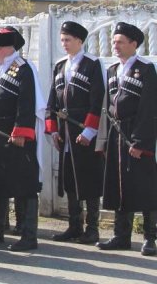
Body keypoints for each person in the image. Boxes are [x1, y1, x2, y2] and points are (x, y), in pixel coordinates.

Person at [0, 28, 41, 252]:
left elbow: (28, 102)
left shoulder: (23, 69)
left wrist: (21, 131)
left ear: (3, 48)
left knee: (24, 183)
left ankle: (28, 234)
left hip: (16, 134)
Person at [97, 22, 157, 256]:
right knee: (118, 185)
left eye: (120, 42)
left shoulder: (146, 69)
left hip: (136, 134)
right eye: (114, 41)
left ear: (134, 44)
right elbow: (108, 105)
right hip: (116, 134)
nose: (116, 46)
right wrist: (103, 139)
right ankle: (121, 235)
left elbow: (149, 108)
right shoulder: (112, 70)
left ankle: (150, 237)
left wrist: (140, 141)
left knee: (144, 187)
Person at [45, 21, 105, 244]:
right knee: (69, 180)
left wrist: (90, 130)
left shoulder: (92, 64)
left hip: (83, 130)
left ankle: (92, 229)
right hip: (65, 132)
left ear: (80, 41)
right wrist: (52, 130)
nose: (64, 44)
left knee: (88, 179)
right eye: (62, 40)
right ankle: (74, 226)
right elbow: (52, 99)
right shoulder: (60, 65)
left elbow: (98, 99)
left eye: (68, 40)